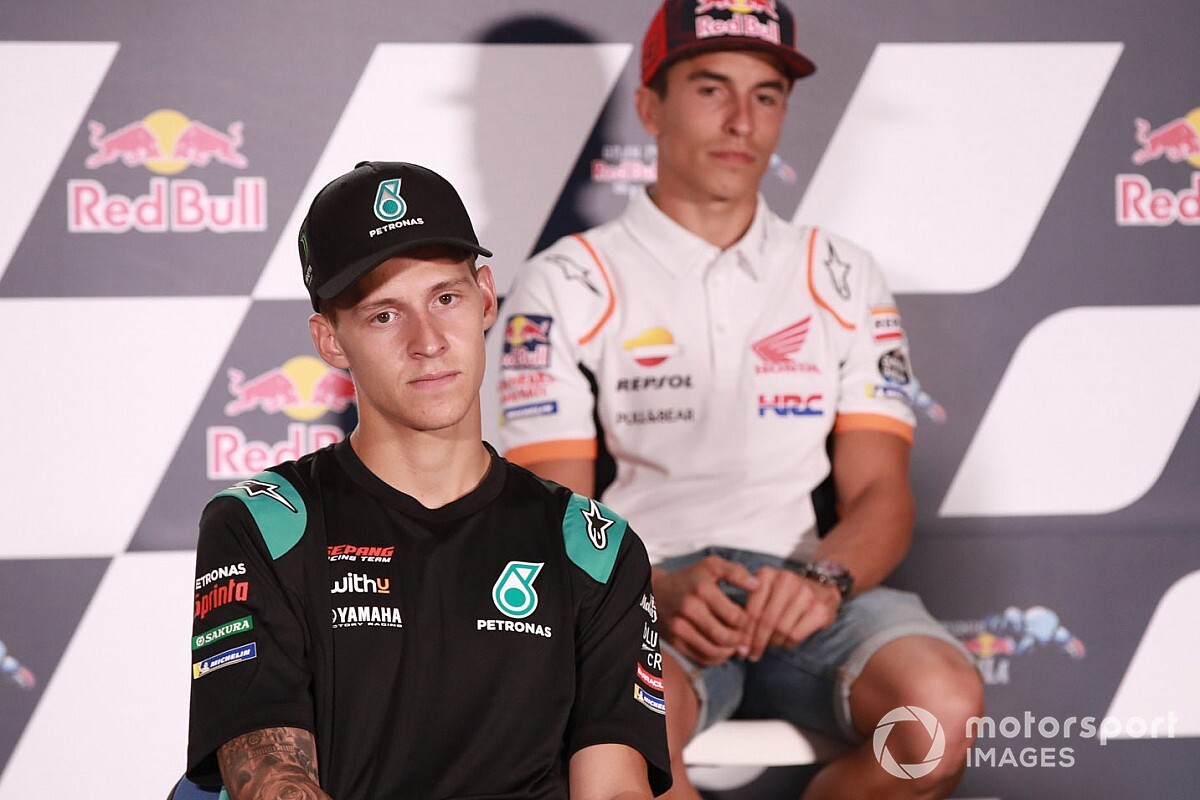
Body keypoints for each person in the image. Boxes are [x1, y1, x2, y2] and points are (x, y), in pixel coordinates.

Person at [493, 2, 984, 798]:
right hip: (646, 587)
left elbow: (881, 493)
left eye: (766, 95)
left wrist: (824, 582)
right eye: (710, 88)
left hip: (808, 587)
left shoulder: (841, 273)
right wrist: (651, 591)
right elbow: (555, 509)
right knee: (626, 742)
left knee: (940, 711)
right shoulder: (566, 280)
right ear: (649, 107)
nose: (741, 121)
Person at [186, 161, 671, 800]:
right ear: (331, 341)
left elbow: (612, 790)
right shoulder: (261, 525)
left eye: (446, 299)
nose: (428, 342)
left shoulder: (595, 546)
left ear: (486, 298)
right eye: (384, 315)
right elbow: (271, 781)